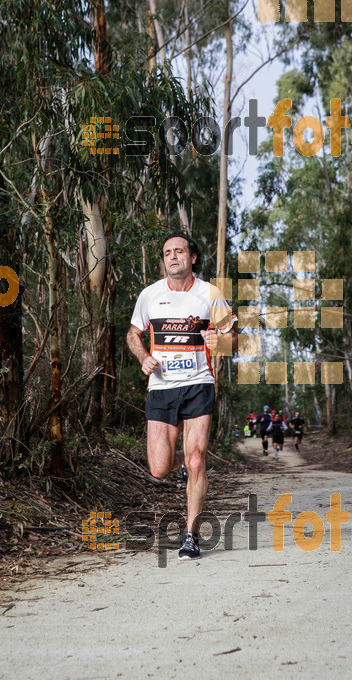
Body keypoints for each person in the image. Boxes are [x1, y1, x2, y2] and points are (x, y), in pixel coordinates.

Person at [126, 233, 237, 560]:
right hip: (161, 387)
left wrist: (218, 342)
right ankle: (183, 465)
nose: (172, 257)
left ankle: (191, 536)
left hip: (199, 383)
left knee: (197, 457)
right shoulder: (150, 295)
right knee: (159, 468)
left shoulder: (210, 294)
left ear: (193, 258)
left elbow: (234, 340)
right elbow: (133, 334)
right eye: (167, 253)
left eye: (179, 251)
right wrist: (143, 356)